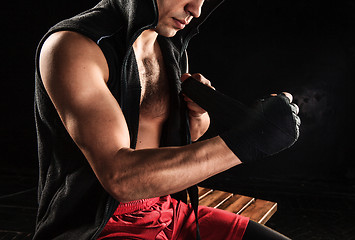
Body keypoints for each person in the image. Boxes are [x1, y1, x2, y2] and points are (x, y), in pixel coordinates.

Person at [33, 0, 300, 239]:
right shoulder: (75, 46)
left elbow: (177, 138)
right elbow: (120, 178)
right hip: (98, 224)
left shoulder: (167, 45)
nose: (196, 10)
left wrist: (196, 114)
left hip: (168, 211)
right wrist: (248, 141)